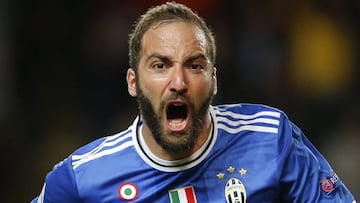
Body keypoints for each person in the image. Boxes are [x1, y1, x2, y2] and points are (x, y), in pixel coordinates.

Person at [31, 2, 356, 203]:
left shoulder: (270, 138)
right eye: (160, 66)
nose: (179, 83)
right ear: (133, 82)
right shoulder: (82, 176)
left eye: (194, 65)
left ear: (213, 80)